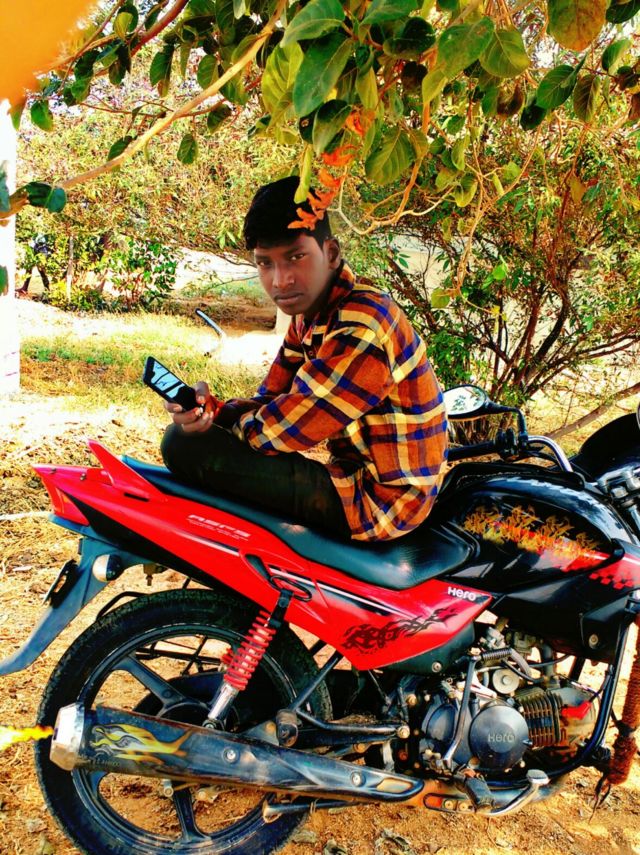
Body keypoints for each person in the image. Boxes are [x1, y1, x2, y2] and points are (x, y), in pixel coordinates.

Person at [161, 176, 448, 541]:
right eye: (265, 263)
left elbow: (290, 427)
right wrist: (213, 412)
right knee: (191, 440)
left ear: (331, 253)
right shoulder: (311, 315)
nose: (280, 280)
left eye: (295, 257)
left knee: (183, 445)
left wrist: (222, 427)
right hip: (352, 478)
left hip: (381, 503)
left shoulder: (362, 324)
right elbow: (272, 398)